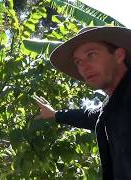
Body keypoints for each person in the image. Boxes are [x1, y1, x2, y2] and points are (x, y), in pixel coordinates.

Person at [34, 26, 131, 180]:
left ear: (119, 55)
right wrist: (55, 114)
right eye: (78, 61)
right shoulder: (111, 106)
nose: (83, 67)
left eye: (91, 54)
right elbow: (91, 116)